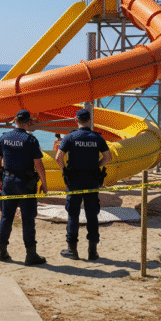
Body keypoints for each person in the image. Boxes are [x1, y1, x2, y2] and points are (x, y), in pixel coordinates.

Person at [0, 109, 48, 266]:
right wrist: (44, 184)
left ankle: (2, 252)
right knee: (28, 219)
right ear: (29, 122)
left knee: (6, 216)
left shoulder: (4, 137)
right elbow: (38, 164)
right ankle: (30, 255)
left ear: (14, 120)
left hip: (8, 182)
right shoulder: (30, 140)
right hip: (26, 184)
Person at [56, 108, 111, 261]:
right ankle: (92, 252)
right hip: (92, 180)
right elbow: (108, 157)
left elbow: (58, 157)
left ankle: (72, 250)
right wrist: (97, 166)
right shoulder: (97, 138)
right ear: (89, 120)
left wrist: (64, 171)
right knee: (92, 214)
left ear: (76, 120)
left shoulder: (70, 137)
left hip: (74, 180)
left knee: (73, 214)